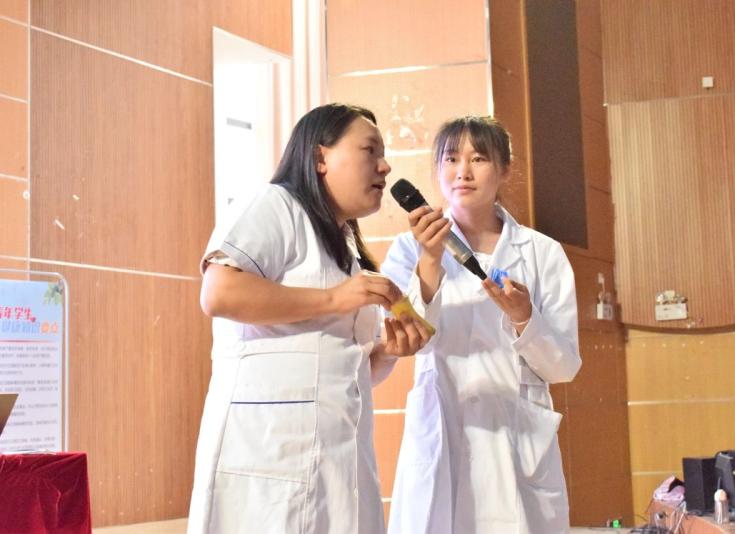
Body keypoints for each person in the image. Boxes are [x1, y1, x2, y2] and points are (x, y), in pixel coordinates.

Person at [187, 103, 432, 534]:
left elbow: (346, 369)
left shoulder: (347, 247)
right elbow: (219, 292)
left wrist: (389, 353)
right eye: (370, 151)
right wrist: (334, 299)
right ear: (320, 157)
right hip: (270, 461)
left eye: (384, 154)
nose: (385, 166)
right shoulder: (274, 205)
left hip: (337, 468)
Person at [382, 115, 582, 533]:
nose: (463, 172)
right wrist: (430, 261)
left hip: (515, 443)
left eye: (478, 159)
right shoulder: (407, 250)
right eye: (451, 159)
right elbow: (404, 337)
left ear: (504, 169)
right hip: (442, 433)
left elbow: (563, 367)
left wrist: (524, 317)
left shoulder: (542, 254)